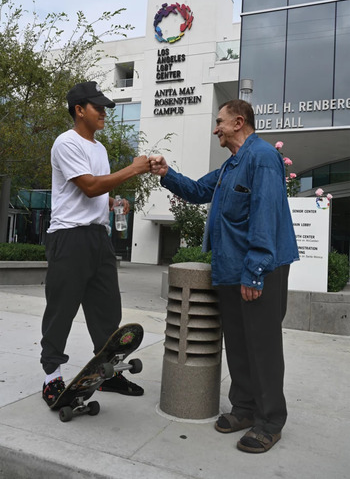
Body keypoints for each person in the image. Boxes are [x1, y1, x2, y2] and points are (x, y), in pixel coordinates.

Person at [150, 99, 299, 453]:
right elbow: (200, 191)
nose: (215, 128)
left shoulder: (262, 157)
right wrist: (166, 173)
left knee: (261, 346)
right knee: (239, 342)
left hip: (257, 269)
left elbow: (265, 214)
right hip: (231, 269)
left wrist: (255, 270)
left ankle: (270, 421)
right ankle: (245, 409)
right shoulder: (232, 164)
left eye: (220, 121)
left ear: (238, 121)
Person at [41, 81, 150, 407]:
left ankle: (106, 372)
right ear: (79, 110)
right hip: (69, 236)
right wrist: (132, 169)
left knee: (107, 310)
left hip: (97, 237)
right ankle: (51, 376)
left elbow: (96, 193)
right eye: (97, 107)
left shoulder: (99, 149)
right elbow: (88, 186)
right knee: (61, 309)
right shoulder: (66, 143)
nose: (104, 112)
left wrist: (114, 202)